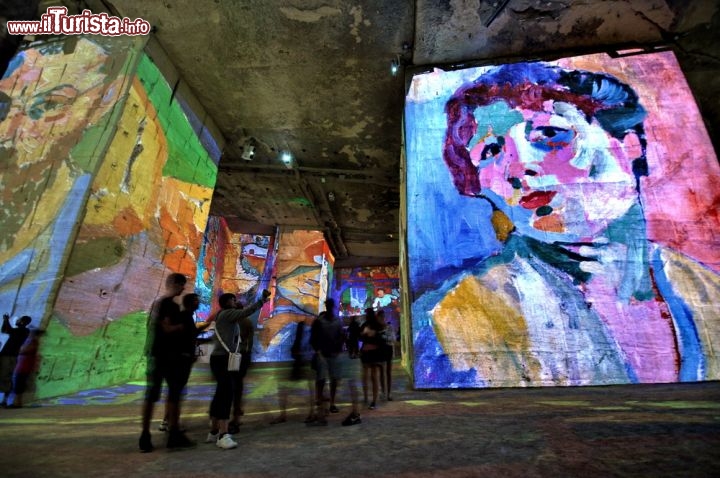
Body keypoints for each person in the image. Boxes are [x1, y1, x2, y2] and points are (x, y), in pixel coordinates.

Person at [416, 61, 720, 387]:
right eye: (490, 150)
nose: (518, 170)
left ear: (630, 146)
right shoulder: (458, 319)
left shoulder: (707, 291)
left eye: (549, 133)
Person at [207, 290, 270, 449]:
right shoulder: (228, 314)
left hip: (221, 358)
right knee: (226, 394)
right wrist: (262, 301)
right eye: (234, 300)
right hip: (223, 359)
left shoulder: (223, 316)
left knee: (221, 392)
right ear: (228, 302)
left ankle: (214, 430)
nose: (236, 303)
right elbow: (248, 311)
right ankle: (223, 435)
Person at [139, 272, 194, 452]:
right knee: (169, 395)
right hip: (166, 357)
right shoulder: (167, 304)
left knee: (158, 395)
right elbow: (167, 327)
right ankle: (165, 434)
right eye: (181, 284)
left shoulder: (159, 304)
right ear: (174, 284)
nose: (183, 288)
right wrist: (181, 327)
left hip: (159, 355)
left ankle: (157, 434)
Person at [309, 298, 361, 426]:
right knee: (323, 380)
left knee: (332, 380)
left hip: (332, 354)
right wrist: (319, 352)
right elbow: (315, 338)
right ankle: (323, 406)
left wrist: (338, 349)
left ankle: (327, 405)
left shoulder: (334, 321)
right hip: (325, 354)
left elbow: (340, 337)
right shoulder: (322, 321)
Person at [271, 317, 315, 424]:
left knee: (312, 387)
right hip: (300, 359)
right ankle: (284, 414)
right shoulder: (301, 326)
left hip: (308, 360)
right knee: (285, 386)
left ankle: (312, 413)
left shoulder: (311, 327)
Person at [0, 314, 32, 408]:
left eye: (19, 320)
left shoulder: (24, 330)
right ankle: (4, 400)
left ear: (22, 322)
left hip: (9, 356)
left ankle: (4, 400)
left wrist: (6, 320)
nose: (17, 321)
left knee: (5, 376)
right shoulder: (20, 331)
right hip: (8, 356)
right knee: (6, 377)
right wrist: (5, 321)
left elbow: (9, 330)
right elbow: (4, 330)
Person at [359, 308, 384, 410]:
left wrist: (367, 334)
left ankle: (368, 398)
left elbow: (360, 337)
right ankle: (372, 399)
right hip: (372, 352)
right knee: (373, 376)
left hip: (368, 352)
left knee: (367, 375)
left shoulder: (366, 324)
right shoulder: (376, 325)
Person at [376, 309, 395, 401]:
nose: (382, 318)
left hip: (388, 349)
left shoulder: (389, 327)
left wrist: (383, 337)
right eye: (381, 317)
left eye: (383, 316)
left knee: (388, 372)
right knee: (382, 371)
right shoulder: (377, 328)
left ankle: (389, 392)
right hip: (381, 350)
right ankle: (383, 391)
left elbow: (393, 338)